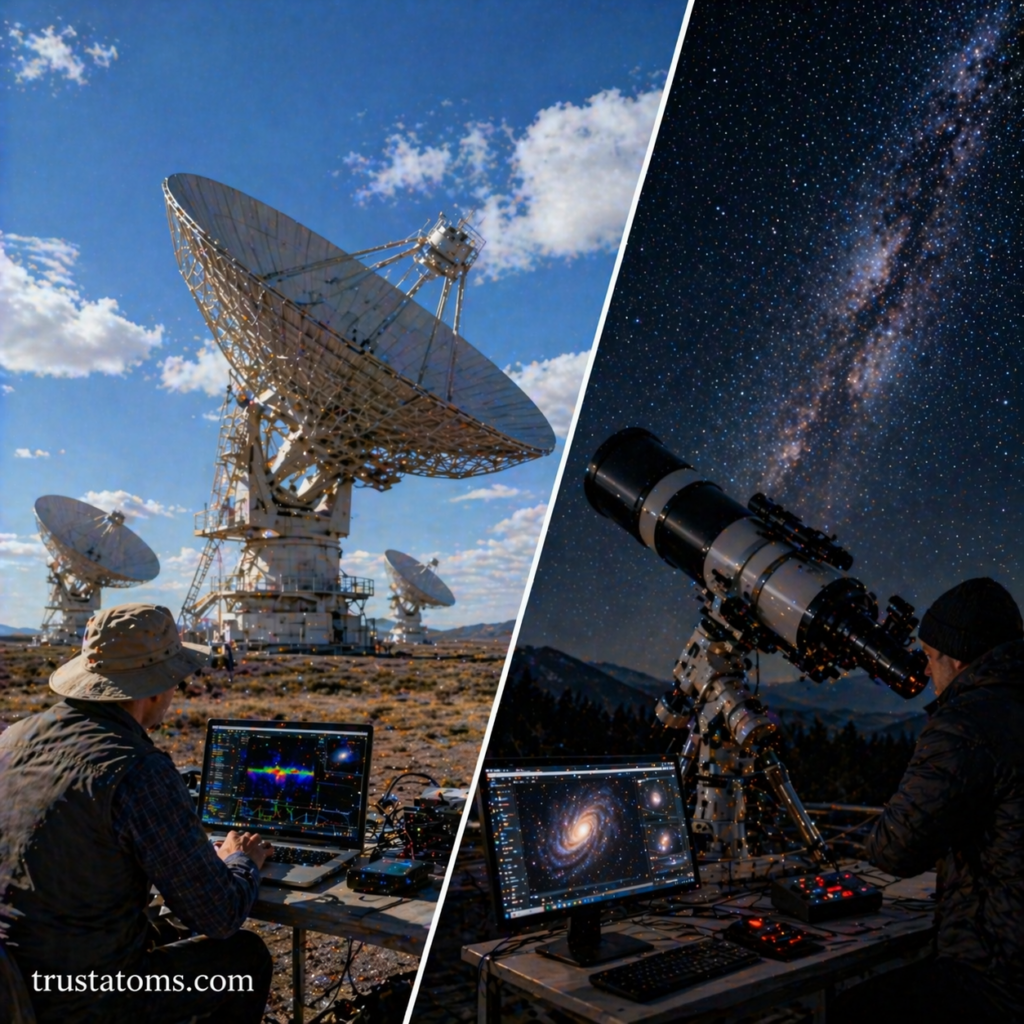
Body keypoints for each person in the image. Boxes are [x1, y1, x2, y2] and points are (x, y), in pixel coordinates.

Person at [0, 603, 275, 1024]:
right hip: (86, 998)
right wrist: (238, 860)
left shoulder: (12, 739)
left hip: (13, 983)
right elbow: (218, 915)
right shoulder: (136, 769)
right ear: (154, 687)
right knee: (242, 959)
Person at [844, 578, 1024, 1023]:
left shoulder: (965, 725)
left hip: (998, 976)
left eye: (929, 657)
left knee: (849, 1005)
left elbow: (894, 849)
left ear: (957, 658)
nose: (925, 673)